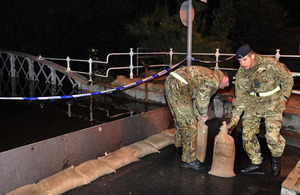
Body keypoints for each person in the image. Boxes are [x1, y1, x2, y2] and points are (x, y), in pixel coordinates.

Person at [227, 44, 294, 176]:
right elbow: (240, 98)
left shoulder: (270, 63)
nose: (242, 64)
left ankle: (276, 162)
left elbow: (288, 79)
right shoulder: (241, 74)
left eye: (244, 60)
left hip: (273, 103)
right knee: (247, 134)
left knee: (272, 136)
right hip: (253, 104)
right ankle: (256, 163)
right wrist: (233, 121)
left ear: (252, 56)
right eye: (239, 61)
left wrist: (283, 98)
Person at [164, 65, 233, 170]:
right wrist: (204, 115)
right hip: (180, 85)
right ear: (225, 78)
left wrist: (198, 115)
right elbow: (203, 99)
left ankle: (179, 146)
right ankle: (189, 160)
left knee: (181, 119)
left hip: (171, 81)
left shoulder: (209, 74)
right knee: (190, 124)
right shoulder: (214, 80)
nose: (223, 88)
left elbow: (196, 100)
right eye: (225, 85)